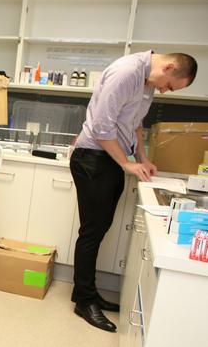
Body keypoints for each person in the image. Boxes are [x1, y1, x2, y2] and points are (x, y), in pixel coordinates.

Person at [70, 51, 197, 332]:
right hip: (93, 158)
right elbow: (102, 127)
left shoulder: (147, 80)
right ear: (169, 66)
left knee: (100, 228)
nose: (165, 90)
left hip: (111, 159)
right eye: (169, 85)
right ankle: (83, 301)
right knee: (92, 231)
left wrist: (141, 157)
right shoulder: (127, 72)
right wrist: (126, 162)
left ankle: (87, 294)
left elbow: (135, 123)